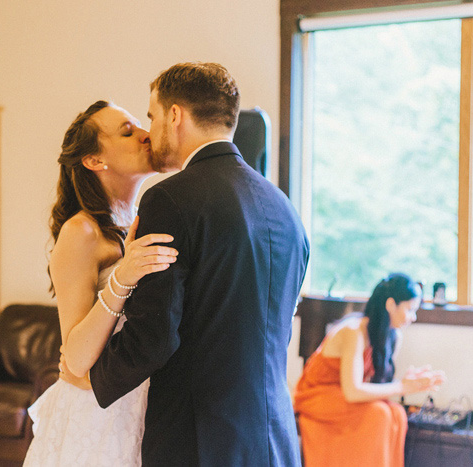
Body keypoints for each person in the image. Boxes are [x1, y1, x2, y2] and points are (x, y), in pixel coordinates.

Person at [88, 62, 310, 466]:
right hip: (275, 440)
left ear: (175, 116)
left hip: (197, 442)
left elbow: (155, 336)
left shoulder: (170, 200)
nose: (150, 131)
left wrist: (91, 377)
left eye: (152, 116)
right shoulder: (286, 211)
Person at [23, 100, 179, 466]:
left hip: (142, 403)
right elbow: (75, 358)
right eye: (127, 131)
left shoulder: (143, 222)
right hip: (96, 413)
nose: (145, 136)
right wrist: (122, 277)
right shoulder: (82, 232)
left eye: (142, 125)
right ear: (95, 161)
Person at [294, 273, 446, 467]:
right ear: (391, 304)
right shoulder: (354, 331)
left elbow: (371, 386)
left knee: (397, 414)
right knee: (378, 415)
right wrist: (402, 387)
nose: (413, 318)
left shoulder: (393, 336)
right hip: (316, 397)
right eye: (410, 310)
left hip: (344, 397)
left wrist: (407, 384)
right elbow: (353, 391)